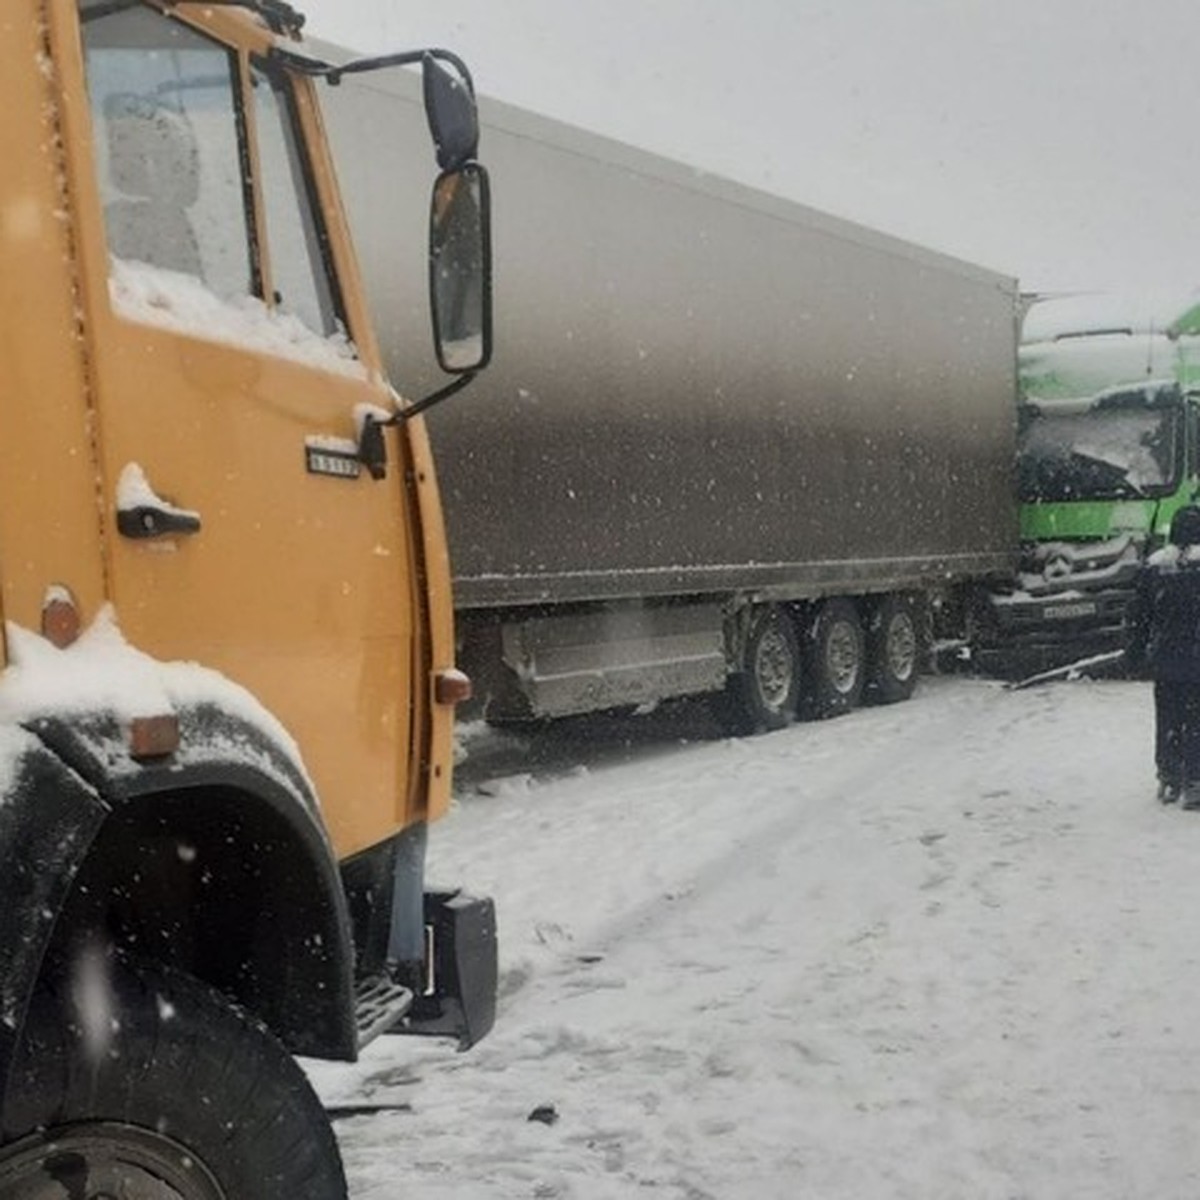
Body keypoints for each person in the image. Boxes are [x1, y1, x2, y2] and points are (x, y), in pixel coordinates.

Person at [1126, 504, 1200, 806]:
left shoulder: (1155, 567)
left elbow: (1139, 616)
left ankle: (1169, 775)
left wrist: (1134, 652)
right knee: (1197, 718)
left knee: (1168, 716)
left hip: (1167, 657)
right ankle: (1196, 779)